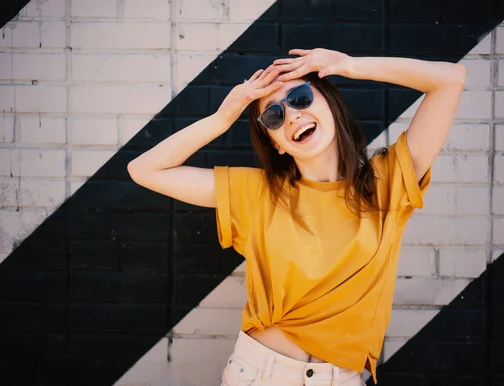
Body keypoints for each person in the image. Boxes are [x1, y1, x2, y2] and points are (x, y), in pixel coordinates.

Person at [128, 48, 465, 386]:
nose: (291, 115)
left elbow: (450, 79)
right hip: (262, 374)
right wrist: (223, 117)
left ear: (329, 103)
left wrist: (346, 65)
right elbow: (144, 170)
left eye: (301, 97)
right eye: (273, 116)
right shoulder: (257, 193)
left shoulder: (388, 184)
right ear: (275, 143)